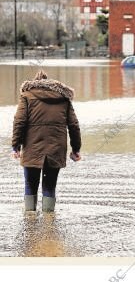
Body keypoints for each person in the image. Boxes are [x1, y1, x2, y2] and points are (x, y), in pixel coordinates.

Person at [12, 70, 81, 213]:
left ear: (34, 82)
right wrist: (76, 149)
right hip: (56, 149)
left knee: (30, 185)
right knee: (49, 186)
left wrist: (16, 146)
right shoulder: (64, 98)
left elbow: (19, 122)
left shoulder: (27, 96)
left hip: (32, 148)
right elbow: (74, 125)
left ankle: (29, 220)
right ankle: (49, 223)